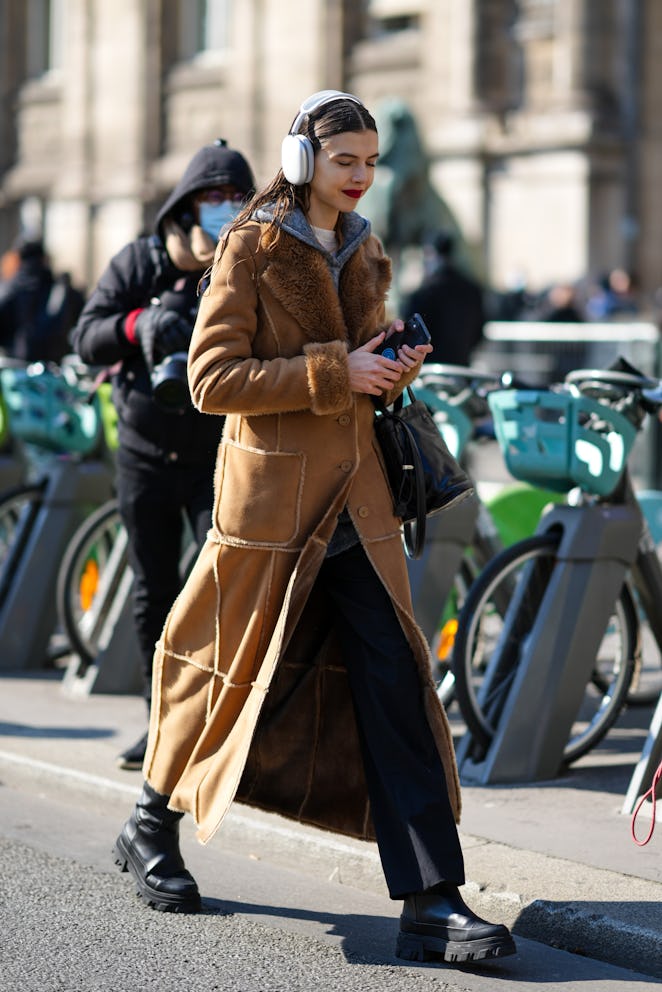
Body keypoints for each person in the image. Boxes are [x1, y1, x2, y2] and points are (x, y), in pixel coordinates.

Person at [112, 91, 515, 965]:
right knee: (222, 672)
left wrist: (391, 370)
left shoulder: (366, 248)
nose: (363, 176)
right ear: (302, 161)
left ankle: (431, 902)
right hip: (270, 509)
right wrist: (341, 371)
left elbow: (363, 368)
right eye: (346, 161)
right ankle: (149, 820)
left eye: (371, 161)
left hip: (357, 503)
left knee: (394, 683)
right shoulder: (250, 246)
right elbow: (212, 380)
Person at [72, 139, 256, 770]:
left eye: (237, 200)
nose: (224, 211)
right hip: (145, 456)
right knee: (154, 593)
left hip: (216, 456)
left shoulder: (243, 266)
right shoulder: (139, 263)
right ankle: (162, 728)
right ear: (183, 208)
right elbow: (85, 336)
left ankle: (220, 724)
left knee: (223, 591)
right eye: (213, 199)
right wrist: (138, 327)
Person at [402, 229, 485, 367]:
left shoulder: (426, 291)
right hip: (462, 369)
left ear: (430, 253)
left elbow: (409, 329)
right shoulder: (472, 288)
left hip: (430, 371)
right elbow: (479, 332)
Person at [0, 236, 84, 362]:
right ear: (44, 259)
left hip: (16, 366)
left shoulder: (10, 288)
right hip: (55, 367)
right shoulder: (60, 287)